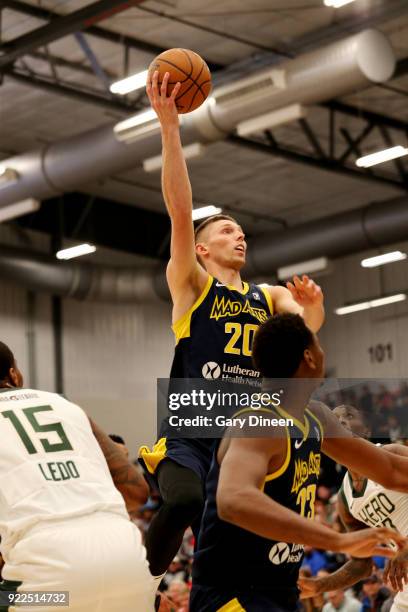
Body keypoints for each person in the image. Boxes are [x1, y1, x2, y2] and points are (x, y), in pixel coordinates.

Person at [139, 69, 325, 587]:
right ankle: (139, 582)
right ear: (202, 247)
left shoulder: (267, 297)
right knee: (182, 500)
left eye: (242, 231)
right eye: (226, 230)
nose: (238, 235)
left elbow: (305, 329)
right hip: (192, 431)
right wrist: (170, 129)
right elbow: (180, 211)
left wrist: (313, 309)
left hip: (245, 434)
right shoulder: (192, 286)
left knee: (243, 539)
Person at [190, 314, 408, 612]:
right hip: (233, 592)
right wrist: (338, 541)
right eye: (318, 344)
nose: (323, 352)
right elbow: (233, 499)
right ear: (308, 356)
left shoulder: (316, 417)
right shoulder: (258, 422)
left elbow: (392, 471)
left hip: (281, 588)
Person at [0, 341, 154, 611]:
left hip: (52, 587)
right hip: (127, 561)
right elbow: (136, 493)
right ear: (14, 375)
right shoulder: (64, 405)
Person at [299, 404, 408, 612]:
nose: (341, 420)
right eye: (334, 418)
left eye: (349, 415)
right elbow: (362, 563)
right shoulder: (345, 498)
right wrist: (318, 585)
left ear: (367, 430)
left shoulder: (391, 452)